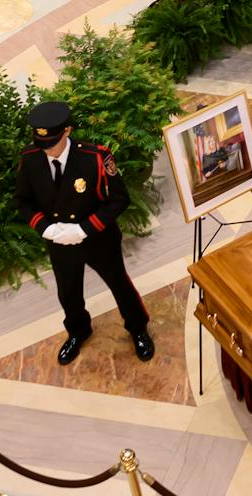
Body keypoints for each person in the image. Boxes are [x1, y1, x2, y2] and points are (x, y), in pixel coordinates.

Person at [15, 100, 154, 366]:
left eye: (52, 143)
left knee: (119, 285)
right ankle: (78, 331)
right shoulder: (31, 158)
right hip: (59, 241)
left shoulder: (95, 157)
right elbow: (23, 201)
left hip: (98, 239)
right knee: (68, 292)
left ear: (67, 131)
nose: (48, 150)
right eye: (42, 144)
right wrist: (46, 228)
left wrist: (83, 228)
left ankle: (138, 328)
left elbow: (119, 199)